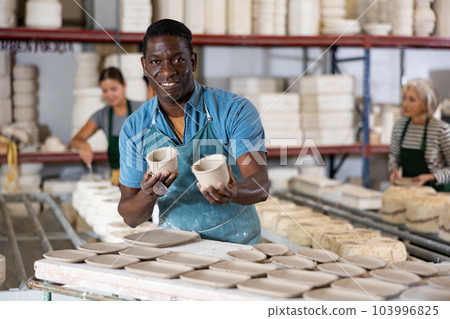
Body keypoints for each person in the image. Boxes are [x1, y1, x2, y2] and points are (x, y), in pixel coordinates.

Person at [118, 19, 269, 245]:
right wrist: (148, 194)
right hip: (176, 249)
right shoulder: (134, 128)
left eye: (178, 60)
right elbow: (130, 217)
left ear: (193, 60)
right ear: (144, 66)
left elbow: (260, 184)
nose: (167, 71)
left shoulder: (234, 110)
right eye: (156, 61)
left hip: (239, 250)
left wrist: (233, 191)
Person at [71, 67, 142, 185]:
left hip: (142, 178)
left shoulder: (141, 109)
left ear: (124, 85)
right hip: (117, 179)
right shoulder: (102, 115)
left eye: (114, 89)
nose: (109, 95)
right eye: (105, 90)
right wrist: (83, 144)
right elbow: (75, 140)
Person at [389, 78, 450, 191]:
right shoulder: (399, 126)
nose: (405, 104)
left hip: (439, 194)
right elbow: (394, 156)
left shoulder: (441, 130)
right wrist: (393, 170)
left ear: (426, 105)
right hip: (411, 191)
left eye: (412, 100)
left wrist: (431, 177)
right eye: (404, 98)